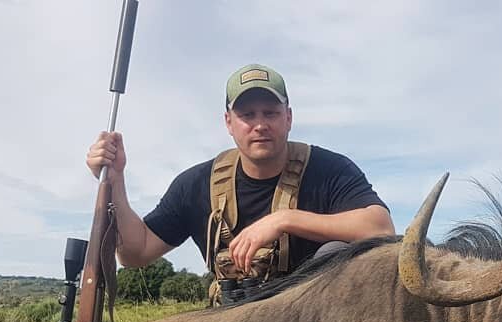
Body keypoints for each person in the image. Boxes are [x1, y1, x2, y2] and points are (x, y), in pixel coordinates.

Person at [85, 63, 394, 288]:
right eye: (247, 115)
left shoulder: (330, 170)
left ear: (288, 118)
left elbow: (380, 228)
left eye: (270, 113)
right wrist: (116, 181)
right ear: (228, 122)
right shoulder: (195, 185)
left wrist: (284, 219)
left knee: (338, 254)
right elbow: (135, 252)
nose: (260, 125)